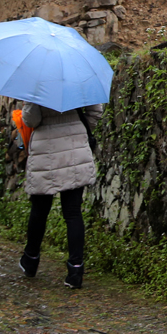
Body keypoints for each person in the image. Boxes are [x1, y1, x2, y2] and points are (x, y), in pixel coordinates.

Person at [18, 102, 102, 288]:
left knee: (39, 210)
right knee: (73, 213)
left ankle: (30, 260)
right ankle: (75, 270)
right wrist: (79, 128)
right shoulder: (78, 76)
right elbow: (96, 111)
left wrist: (29, 102)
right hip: (75, 148)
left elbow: (31, 120)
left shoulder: (38, 82)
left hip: (45, 151)